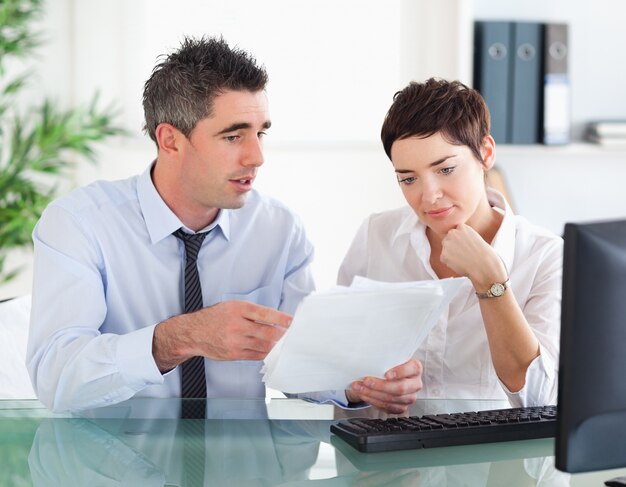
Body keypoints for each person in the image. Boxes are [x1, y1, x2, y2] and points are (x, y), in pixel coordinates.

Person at [26, 36, 420, 413]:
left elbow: (298, 359)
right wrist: (180, 337)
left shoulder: (279, 230)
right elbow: (56, 376)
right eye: (233, 136)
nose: (257, 156)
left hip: (241, 468)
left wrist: (356, 384)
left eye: (260, 132)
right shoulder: (79, 224)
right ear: (170, 141)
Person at [339, 78, 562, 407]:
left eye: (445, 169)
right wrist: (361, 388)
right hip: (391, 451)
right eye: (408, 178)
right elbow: (332, 362)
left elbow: (541, 397)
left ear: (485, 153)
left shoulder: (545, 256)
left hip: (491, 455)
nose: (428, 196)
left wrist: (491, 282)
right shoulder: (378, 236)